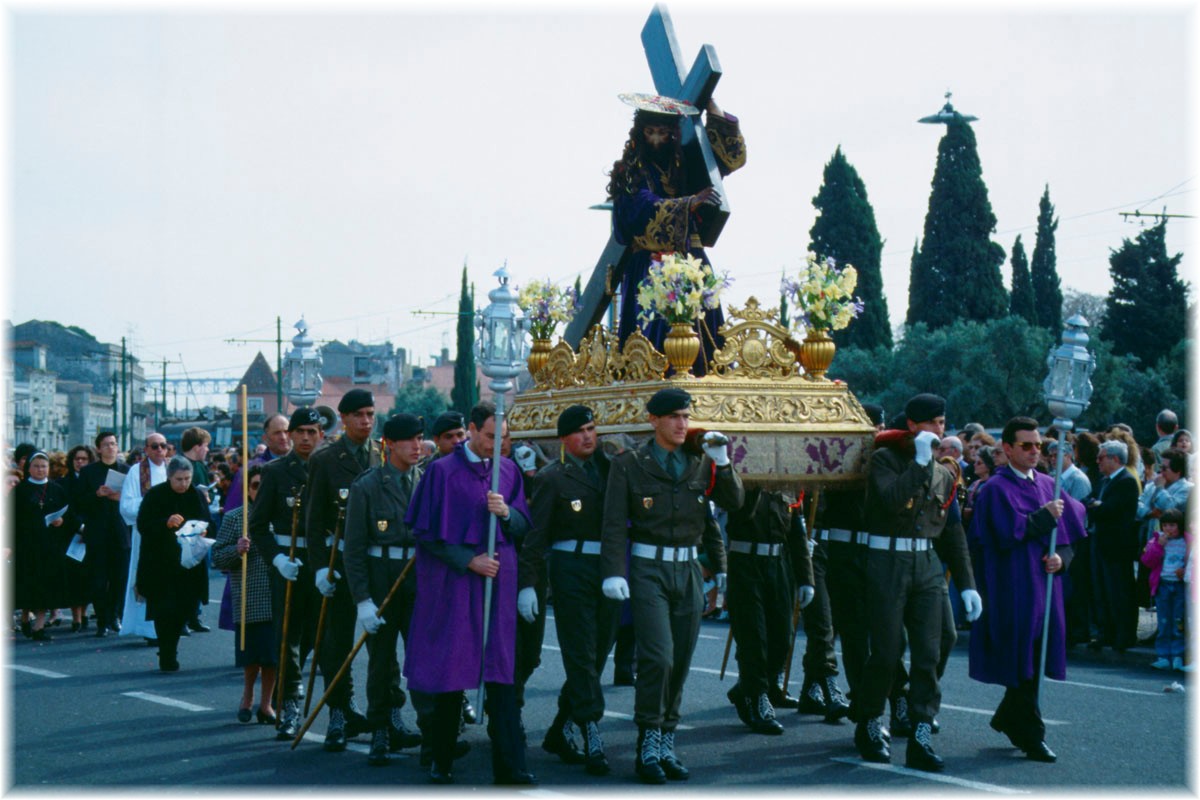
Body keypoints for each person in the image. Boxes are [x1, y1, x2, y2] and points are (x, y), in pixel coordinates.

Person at [600, 387, 743, 784]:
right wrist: (614, 571)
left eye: (686, 415)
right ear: (654, 421)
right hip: (648, 569)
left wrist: (724, 463)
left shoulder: (700, 460)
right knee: (658, 657)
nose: (683, 424)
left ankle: (666, 739)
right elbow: (613, 523)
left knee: (679, 661)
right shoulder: (630, 463)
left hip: (689, 573)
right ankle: (648, 739)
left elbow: (730, 505)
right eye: (674, 417)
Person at [404, 402, 535, 786]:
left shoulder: (508, 470)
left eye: (504, 438)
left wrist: (507, 515)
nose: (498, 445)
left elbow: (525, 523)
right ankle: (440, 759)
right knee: (451, 669)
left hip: (500, 579)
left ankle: (510, 765)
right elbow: (426, 534)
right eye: (492, 437)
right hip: (456, 582)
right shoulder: (440, 472)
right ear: (473, 430)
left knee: (502, 671)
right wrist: (468, 560)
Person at [853, 393, 979, 772]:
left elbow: (952, 531)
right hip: (886, 561)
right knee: (888, 652)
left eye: (942, 423)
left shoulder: (945, 470)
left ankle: (921, 729)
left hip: (926, 562)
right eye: (932, 423)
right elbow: (891, 500)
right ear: (912, 425)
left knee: (933, 647)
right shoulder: (885, 459)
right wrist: (920, 462)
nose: (939, 430)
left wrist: (968, 583)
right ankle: (871, 720)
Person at [967, 416, 1087, 764]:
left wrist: (1061, 559)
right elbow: (1004, 534)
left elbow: (1071, 533)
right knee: (1021, 655)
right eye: (1026, 445)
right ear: (1007, 449)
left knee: (1036, 654)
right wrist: (1042, 518)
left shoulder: (1050, 484)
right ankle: (1032, 734)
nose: (1035, 451)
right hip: (1011, 588)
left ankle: (1009, 718)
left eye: (1038, 445)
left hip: (1044, 586)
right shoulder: (995, 489)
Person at [606, 97, 745, 375]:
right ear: (640, 133)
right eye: (650, 132)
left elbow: (730, 159)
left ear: (673, 133)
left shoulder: (686, 162)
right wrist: (688, 204)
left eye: (663, 133)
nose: (656, 140)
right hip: (650, 266)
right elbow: (636, 209)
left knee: (706, 336)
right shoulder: (631, 170)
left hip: (691, 262)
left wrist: (712, 107)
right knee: (654, 334)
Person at [517, 405, 618, 775]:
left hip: (606, 570)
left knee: (598, 653)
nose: (588, 436)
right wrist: (528, 584)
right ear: (563, 440)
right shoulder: (551, 478)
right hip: (570, 569)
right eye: (579, 431)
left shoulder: (611, 470)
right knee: (580, 653)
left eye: (592, 429)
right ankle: (590, 728)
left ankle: (560, 729)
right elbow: (535, 536)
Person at [343, 413, 427, 767]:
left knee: (423, 659)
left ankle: (432, 729)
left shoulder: (426, 481)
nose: (416, 446)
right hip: (381, 578)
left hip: (418, 578)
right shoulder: (368, 486)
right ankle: (381, 727)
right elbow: (354, 548)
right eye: (408, 440)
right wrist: (362, 600)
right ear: (389, 444)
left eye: (420, 438)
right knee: (381, 660)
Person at [304, 389, 381, 750]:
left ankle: (384, 716)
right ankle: (339, 710)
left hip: (378, 563)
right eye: (359, 415)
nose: (366, 420)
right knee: (336, 642)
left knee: (381, 643)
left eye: (370, 413)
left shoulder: (383, 454)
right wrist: (319, 568)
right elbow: (313, 519)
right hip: (339, 560)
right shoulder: (326, 459)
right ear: (344, 418)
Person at [247, 406, 326, 740]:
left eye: (313, 432)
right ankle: (289, 703)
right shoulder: (277, 472)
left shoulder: (332, 469)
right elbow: (258, 525)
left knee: (315, 636)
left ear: (321, 435)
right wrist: (277, 559)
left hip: (323, 562)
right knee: (288, 637)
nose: (306, 438)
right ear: (291, 435)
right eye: (300, 432)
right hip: (290, 563)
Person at [724, 484, 814, 736]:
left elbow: (797, 532)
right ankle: (758, 697)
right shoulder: (741, 480)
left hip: (779, 563)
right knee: (753, 638)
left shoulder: (788, 485)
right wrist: (758, 483)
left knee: (782, 638)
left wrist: (806, 578)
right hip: (745, 563)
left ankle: (747, 689)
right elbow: (742, 513)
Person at [211, 464, 278, 722]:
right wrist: (236, 550)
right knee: (251, 655)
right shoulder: (235, 518)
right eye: (254, 486)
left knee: (272, 655)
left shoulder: (281, 517)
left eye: (264, 486)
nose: (259, 492)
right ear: (247, 489)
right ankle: (247, 696)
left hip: (275, 594)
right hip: (248, 597)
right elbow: (217, 557)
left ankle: (267, 703)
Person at [135, 456, 211, 672]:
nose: (184, 484)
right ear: (169, 477)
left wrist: (204, 530)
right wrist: (165, 523)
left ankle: (171, 646)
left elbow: (209, 522)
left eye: (187, 479)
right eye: (179, 479)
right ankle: (167, 652)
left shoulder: (196, 494)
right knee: (163, 609)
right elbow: (143, 525)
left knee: (182, 609)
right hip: (161, 563)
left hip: (189, 563)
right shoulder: (155, 495)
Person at [118, 433, 173, 642]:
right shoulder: (136, 472)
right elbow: (127, 506)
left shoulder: (172, 468)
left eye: (163, 446)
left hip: (170, 535)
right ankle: (148, 629)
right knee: (148, 578)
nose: (160, 450)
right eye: (155, 446)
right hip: (147, 534)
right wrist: (154, 508)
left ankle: (170, 624)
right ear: (147, 450)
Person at [1086, 440, 1140, 652]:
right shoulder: (1104, 481)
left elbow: (1111, 510)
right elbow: (1091, 503)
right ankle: (1106, 633)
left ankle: (1123, 636)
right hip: (1100, 542)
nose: (1097, 462)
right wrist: (1097, 506)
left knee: (1119, 591)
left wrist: (1098, 507)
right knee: (1102, 591)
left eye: (1101, 458)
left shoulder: (1126, 481)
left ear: (1115, 459)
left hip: (1117, 546)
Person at [76, 432, 131, 638]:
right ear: (98, 448)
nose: (111, 448)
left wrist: (119, 498)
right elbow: (79, 502)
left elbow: (134, 499)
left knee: (119, 577)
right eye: (106, 444)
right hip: (97, 531)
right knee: (98, 579)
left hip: (120, 530)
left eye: (114, 444)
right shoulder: (89, 472)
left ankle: (114, 616)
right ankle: (101, 619)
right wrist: (97, 494)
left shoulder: (127, 470)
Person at [11, 452, 70, 641]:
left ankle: (39, 626)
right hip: (26, 545)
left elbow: (68, 514)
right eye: (36, 466)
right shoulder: (20, 491)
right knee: (27, 584)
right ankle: (26, 617)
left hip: (49, 546)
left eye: (43, 466)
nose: (40, 469)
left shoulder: (56, 489)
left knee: (46, 585)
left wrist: (61, 521)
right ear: (29, 468)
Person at [1141, 507, 1191, 671]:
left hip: (1179, 585)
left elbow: (1191, 560)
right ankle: (1163, 655)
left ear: (1180, 526)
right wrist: (1158, 546)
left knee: (1178, 621)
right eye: (1165, 525)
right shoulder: (1156, 541)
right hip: (1163, 584)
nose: (1168, 529)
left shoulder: (1187, 541)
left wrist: (1184, 570)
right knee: (1163, 621)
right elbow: (1147, 561)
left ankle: (1177, 655)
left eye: (1172, 525)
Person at [61, 443, 96, 632]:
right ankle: (76, 617)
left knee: (89, 576)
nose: (80, 462)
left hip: (91, 532)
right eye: (77, 459)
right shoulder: (64, 483)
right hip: (71, 533)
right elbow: (66, 508)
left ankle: (84, 613)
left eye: (84, 459)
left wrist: (88, 527)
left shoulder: (93, 480)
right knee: (74, 576)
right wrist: (79, 526)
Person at [224, 415, 292, 513]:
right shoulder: (249, 469)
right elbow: (233, 510)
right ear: (265, 438)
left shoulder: (305, 464)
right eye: (277, 433)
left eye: (286, 432)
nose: (283, 437)